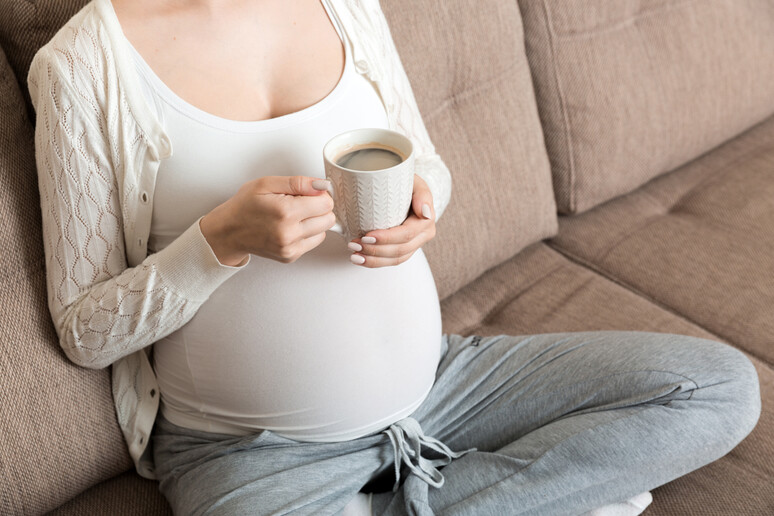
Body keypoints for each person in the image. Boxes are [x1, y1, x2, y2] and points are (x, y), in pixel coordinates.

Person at [27, 0, 761, 515]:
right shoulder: (84, 64)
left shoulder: (342, 3)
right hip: (250, 453)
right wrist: (217, 244)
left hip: (444, 385)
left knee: (721, 390)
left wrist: (421, 209)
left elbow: (426, 164)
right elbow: (86, 332)